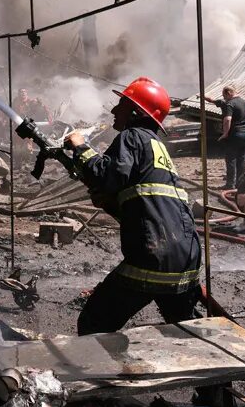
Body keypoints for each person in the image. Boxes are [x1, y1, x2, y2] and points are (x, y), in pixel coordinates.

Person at [64, 77, 202, 335]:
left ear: (137, 112)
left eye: (122, 105)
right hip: (186, 257)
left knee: (94, 324)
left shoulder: (132, 136)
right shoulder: (156, 147)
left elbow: (107, 176)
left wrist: (81, 146)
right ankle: (220, 374)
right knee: (187, 330)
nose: (115, 110)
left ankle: (104, 374)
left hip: (152, 257)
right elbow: (147, 198)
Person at [217, 85, 245, 190]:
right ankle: (240, 183)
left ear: (229, 93)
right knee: (242, 159)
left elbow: (227, 119)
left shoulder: (230, 104)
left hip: (234, 135)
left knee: (231, 159)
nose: (224, 99)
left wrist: (225, 133)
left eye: (224, 96)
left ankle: (230, 184)